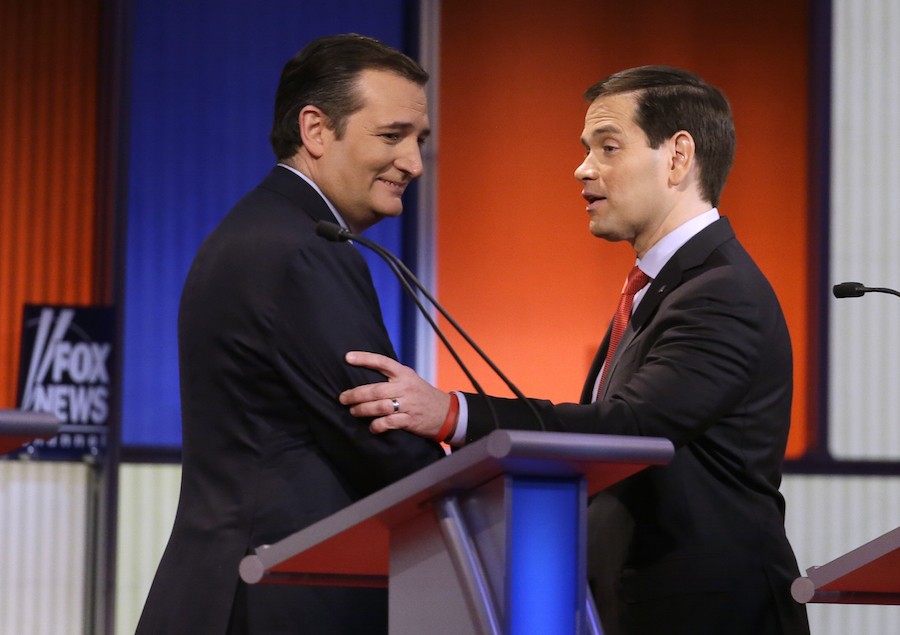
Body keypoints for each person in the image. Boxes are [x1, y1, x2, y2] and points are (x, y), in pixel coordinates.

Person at [339, 66, 810, 635]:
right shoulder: (666, 287)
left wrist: (451, 412)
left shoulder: (722, 293)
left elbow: (628, 428)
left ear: (678, 157)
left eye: (608, 147)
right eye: (586, 149)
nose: (583, 169)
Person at [135, 34, 444, 635]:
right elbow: (379, 436)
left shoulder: (261, 230)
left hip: (236, 591)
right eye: (392, 135)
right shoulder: (302, 249)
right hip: (278, 598)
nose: (413, 162)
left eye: (419, 140)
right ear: (316, 130)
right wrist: (497, 489)